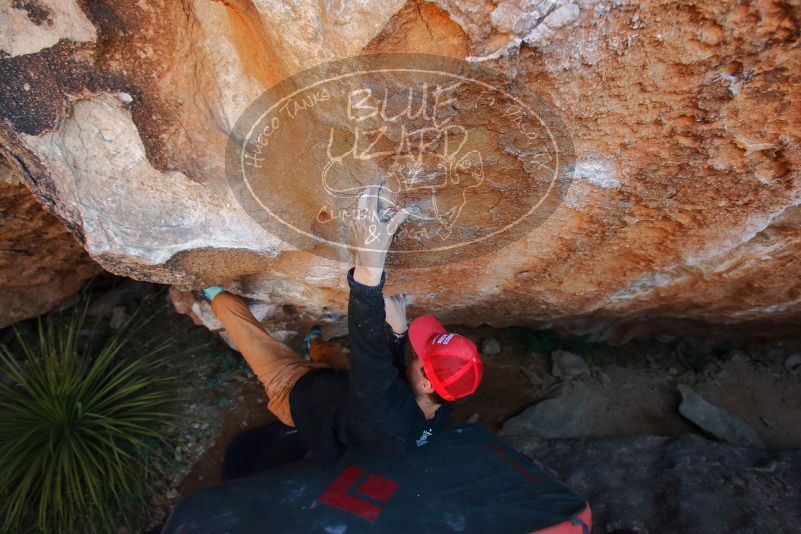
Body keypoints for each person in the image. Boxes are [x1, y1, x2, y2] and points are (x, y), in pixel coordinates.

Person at [205, 187, 483, 465]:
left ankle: (209, 289)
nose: (415, 350)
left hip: (294, 392)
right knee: (331, 354)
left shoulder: (382, 409)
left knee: (242, 323)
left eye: (418, 356)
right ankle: (314, 345)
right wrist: (399, 335)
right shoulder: (438, 408)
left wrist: (369, 272)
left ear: (425, 382)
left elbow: (369, 347)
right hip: (342, 387)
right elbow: (386, 378)